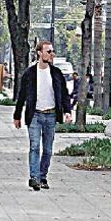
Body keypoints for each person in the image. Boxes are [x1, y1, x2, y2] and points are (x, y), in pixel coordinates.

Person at [13, 41, 72, 191]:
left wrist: (67, 111)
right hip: (35, 115)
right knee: (34, 146)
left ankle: (42, 176)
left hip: (51, 115)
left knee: (47, 150)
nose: (52, 54)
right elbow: (22, 95)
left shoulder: (56, 73)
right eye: (48, 51)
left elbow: (64, 93)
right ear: (39, 53)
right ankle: (34, 178)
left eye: (52, 51)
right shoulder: (30, 73)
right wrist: (17, 115)